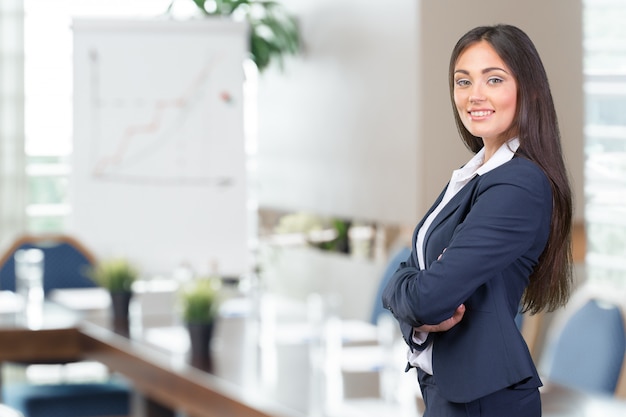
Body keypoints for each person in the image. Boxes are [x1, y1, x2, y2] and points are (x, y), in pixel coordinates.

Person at [382, 24, 573, 417]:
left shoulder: (519, 183)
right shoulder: (476, 174)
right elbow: (414, 279)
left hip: (485, 401)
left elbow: (430, 296)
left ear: (528, 89)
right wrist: (411, 297)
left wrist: (404, 296)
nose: (475, 95)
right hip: (450, 392)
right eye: (463, 81)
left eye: (494, 79)